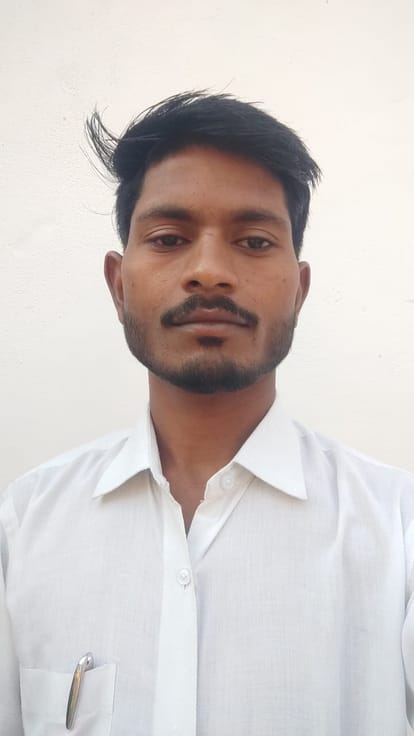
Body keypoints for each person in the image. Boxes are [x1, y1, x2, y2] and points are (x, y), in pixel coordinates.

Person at [1, 91, 413, 736]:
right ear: (118, 284)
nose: (211, 271)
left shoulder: (398, 532)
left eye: (254, 241)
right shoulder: (25, 526)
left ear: (300, 290)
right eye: (169, 238)